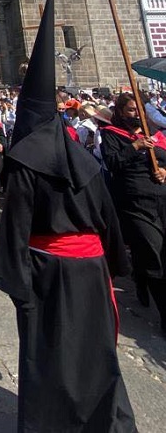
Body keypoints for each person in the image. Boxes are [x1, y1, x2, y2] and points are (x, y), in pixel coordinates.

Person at [0, 0, 136, 433]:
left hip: (47, 271)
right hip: (91, 269)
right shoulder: (81, 158)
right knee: (96, 349)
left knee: (50, 350)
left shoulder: (24, 162)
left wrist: (16, 285)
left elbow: (13, 229)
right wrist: (113, 264)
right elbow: (108, 220)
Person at [101, 92, 166, 333]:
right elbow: (112, 163)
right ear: (119, 111)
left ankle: (140, 276)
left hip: (161, 198)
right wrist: (135, 146)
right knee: (153, 252)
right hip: (135, 202)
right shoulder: (111, 135)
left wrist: (164, 171)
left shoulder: (155, 135)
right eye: (130, 110)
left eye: (138, 109)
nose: (135, 114)